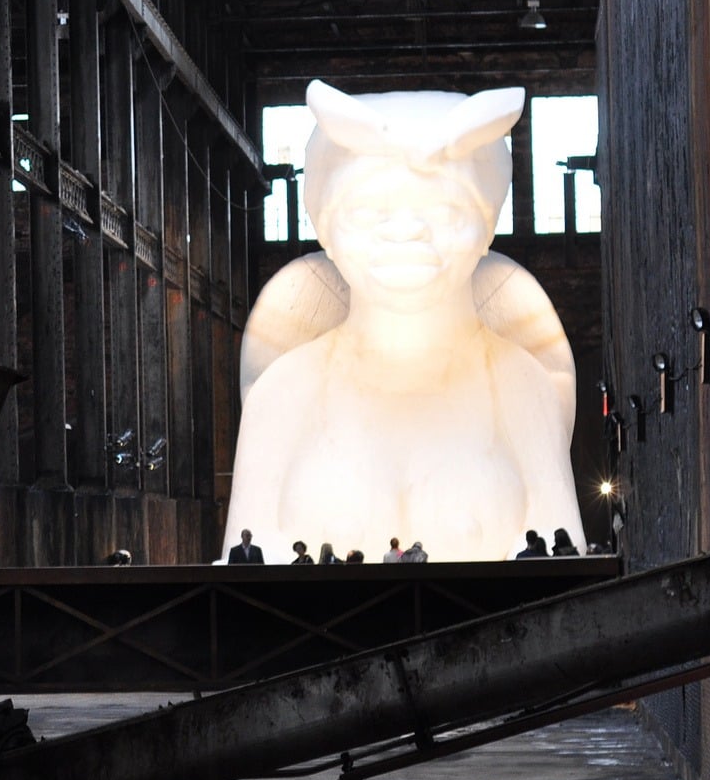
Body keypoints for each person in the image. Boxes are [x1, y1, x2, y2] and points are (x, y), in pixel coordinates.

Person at [220, 80, 586, 563]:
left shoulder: (521, 388)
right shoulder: (281, 397)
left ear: (484, 230)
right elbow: (245, 566)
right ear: (328, 232)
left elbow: (562, 557)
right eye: (369, 212)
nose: (407, 233)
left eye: (445, 210)